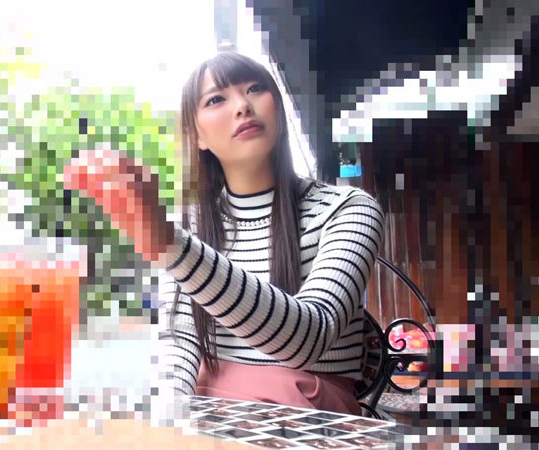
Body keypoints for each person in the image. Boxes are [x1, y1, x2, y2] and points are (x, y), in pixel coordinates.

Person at [64, 52, 383, 417]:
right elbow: (179, 341)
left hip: (306, 414)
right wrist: (170, 419)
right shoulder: (192, 224)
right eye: (216, 99)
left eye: (255, 88)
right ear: (197, 135)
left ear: (278, 109)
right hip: (209, 407)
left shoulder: (347, 208)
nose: (243, 105)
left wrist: (171, 246)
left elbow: (311, 337)